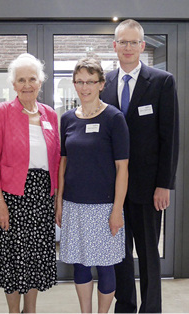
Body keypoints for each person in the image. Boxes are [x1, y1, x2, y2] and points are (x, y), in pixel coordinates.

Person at [100, 19, 179, 313]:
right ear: (115, 46)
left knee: (147, 254)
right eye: (123, 41)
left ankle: (151, 308)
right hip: (112, 191)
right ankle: (126, 306)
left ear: (143, 46)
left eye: (134, 42)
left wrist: (164, 184)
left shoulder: (161, 82)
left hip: (148, 190)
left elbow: (170, 137)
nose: (128, 47)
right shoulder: (103, 83)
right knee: (119, 254)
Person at [0, 53, 60, 313]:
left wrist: (56, 199)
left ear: (40, 82)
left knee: (36, 258)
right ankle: (14, 311)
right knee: (13, 259)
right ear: (13, 85)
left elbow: (57, 162)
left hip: (42, 196)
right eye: (21, 80)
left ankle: (31, 310)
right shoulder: (1, 113)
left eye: (32, 79)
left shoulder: (50, 115)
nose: (27, 84)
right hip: (12, 196)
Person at [56, 57, 129, 313]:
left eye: (90, 81)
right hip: (74, 205)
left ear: (101, 84)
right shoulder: (66, 119)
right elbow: (63, 164)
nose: (84, 87)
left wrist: (117, 209)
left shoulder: (113, 118)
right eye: (79, 81)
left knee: (105, 265)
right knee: (80, 265)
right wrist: (59, 202)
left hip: (104, 207)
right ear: (74, 84)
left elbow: (122, 168)